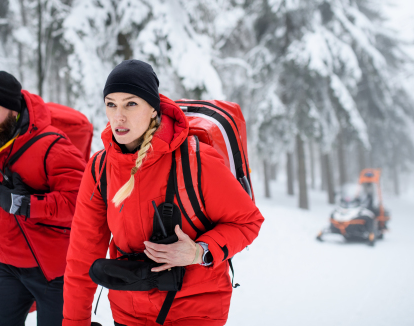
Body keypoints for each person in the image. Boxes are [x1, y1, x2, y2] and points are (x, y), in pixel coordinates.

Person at [62, 60, 264, 326]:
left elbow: (248, 222)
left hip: (194, 310)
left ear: (153, 110)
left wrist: (198, 251)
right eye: (111, 104)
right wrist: (73, 322)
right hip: (128, 312)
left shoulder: (196, 160)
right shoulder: (100, 168)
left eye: (131, 104)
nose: (118, 116)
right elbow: (82, 254)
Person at [0, 70, 86, 326]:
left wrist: (27, 204)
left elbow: (80, 203)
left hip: (53, 272)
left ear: (14, 111)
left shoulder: (53, 145)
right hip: (6, 267)